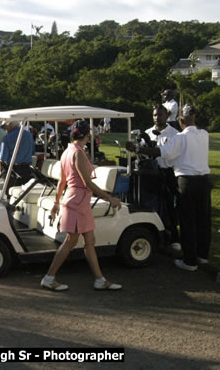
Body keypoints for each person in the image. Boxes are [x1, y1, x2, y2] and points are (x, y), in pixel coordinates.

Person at [42, 120, 123, 292]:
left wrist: (57, 202)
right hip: (78, 201)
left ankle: (99, 279)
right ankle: (49, 278)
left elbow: (62, 181)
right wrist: (111, 199)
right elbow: (87, 182)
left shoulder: (67, 152)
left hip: (77, 200)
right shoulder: (77, 153)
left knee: (89, 241)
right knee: (71, 241)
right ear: (87, 136)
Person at [128, 105, 211, 272]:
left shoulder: (180, 138)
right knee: (203, 219)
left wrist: (137, 149)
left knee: (187, 221)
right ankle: (202, 255)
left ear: (181, 120)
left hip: (186, 180)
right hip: (204, 181)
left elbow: (160, 152)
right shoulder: (204, 134)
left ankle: (189, 261)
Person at [145, 105, 180, 250]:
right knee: (152, 205)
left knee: (170, 206)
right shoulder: (147, 133)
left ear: (166, 116)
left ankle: (174, 238)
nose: (157, 118)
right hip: (151, 174)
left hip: (168, 173)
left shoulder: (175, 134)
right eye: (154, 115)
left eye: (160, 115)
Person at [0, 121, 34, 192]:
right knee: (24, 192)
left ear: (10, 125)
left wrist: (1, 172)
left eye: (6, 126)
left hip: (13, 170)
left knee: (10, 192)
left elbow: (2, 158)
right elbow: (32, 151)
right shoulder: (29, 135)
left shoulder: (7, 138)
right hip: (27, 169)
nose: (5, 129)